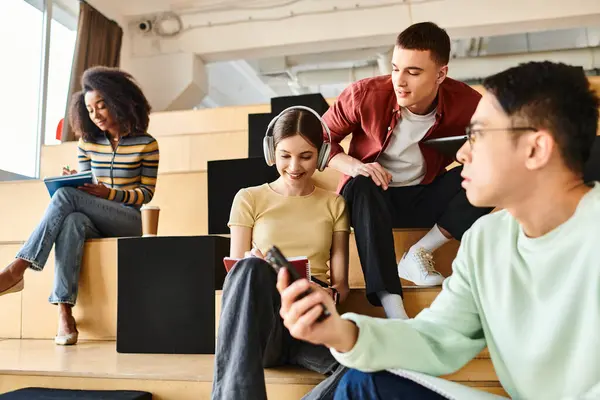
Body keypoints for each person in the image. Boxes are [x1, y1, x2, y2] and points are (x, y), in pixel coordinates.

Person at [277, 61, 600, 399]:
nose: (461, 152)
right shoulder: (486, 240)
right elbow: (437, 338)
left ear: (535, 149)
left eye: (476, 135)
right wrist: (342, 332)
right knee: (362, 383)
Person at [322, 22, 492, 319]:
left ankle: (419, 253)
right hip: (369, 201)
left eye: (413, 72)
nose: (400, 81)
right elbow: (319, 138)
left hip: (423, 197)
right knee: (363, 185)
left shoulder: (468, 103)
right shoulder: (364, 94)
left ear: (441, 74)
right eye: (395, 68)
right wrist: (356, 166)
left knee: (490, 173)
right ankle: (394, 308)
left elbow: (496, 147)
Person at [0, 66, 159, 346]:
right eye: (90, 108)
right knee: (71, 219)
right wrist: (75, 182)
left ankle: (17, 269)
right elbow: (87, 185)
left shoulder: (147, 144)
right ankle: (65, 313)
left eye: (101, 105)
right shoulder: (87, 143)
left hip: (129, 221)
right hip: (93, 217)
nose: (96, 115)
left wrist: (108, 193)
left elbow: (146, 194)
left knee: (66, 201)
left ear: (117, 102)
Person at [211, 106, 351, 400]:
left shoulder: (334, 204)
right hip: (264, 328)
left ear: (323, 154)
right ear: (271, 152)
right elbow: (235, 274)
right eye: (285, 156)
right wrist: (258, 267)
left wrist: (328, 294)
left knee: (362, 366)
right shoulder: (249, 198)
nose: (294, 166)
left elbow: (341, 286)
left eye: (306, 156)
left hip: (311, 321)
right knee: (249, 269)